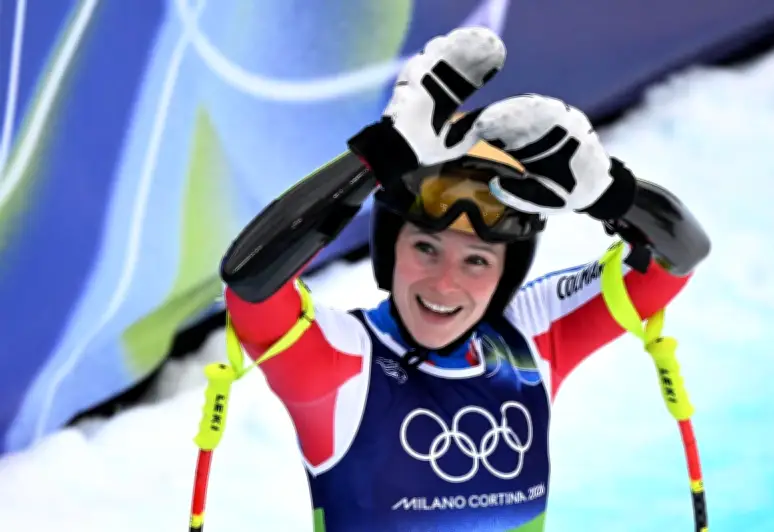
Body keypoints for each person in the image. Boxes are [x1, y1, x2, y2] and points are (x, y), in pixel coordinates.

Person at [220, 27, 710, 532]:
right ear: (390, 250)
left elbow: (680, 254)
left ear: (505, 273)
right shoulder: (342, 362)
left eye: (476, 260)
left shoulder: (533, 339)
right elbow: (251, 281)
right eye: (426, 248)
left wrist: (610, 193)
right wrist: (381, 156)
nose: (445, 284)